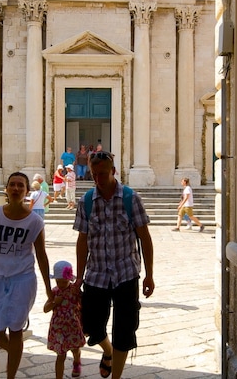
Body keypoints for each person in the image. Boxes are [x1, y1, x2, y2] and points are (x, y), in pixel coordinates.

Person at [74, 150, 154, 379]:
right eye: (94, 174)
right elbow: (82, 242)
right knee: (90, 326)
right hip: (96, 275)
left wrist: (149, 275)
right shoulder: (86, 201)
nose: (98, 179)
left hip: (126, 273)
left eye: (103, 174)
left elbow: (145, 238)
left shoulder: (130, 198)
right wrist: (79, 276)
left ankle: (116, 377)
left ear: (114, 171)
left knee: (124, 331)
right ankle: (107, 352)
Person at [0, 172, 53, 379]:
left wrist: (49, 289)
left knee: (16, 329)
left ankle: (11, 375)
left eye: (20, 186)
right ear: (6, 189)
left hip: (22, 280)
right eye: (12, 185)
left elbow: (42, 257)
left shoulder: (34, 222)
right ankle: (14, 352)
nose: (16, 188)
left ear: (26, 191)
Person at [43, 260, 85, 379]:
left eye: (64, 281)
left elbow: (83, 305)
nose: (61, 284)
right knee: (60, 355)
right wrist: (54, 303)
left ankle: (77, 361)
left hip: (73, 326)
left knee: (75, 349)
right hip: (59, 329)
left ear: (69, 279)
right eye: (58, 281)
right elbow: (45, 309)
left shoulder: (75, 291)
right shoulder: (54, 292)